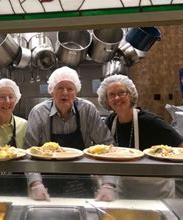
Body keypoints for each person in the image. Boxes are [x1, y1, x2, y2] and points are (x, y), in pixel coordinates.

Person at [24, 66, 116, 201]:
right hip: (47, 179)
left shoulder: (87, 110)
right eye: (60, 88)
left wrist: (108, 183)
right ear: (51, 91)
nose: (65, 93)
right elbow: (29, 151)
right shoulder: (38, 113)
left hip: (82, 178)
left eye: (70, 88)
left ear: (76, 92)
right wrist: (35, 183)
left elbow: (107, 146)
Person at [97, 74, 183, 199]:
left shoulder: (152, 122)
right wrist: (107, 185)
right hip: (126, 191)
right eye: (111, 95)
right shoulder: (110, 122)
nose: (117, 98)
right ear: (106, 100)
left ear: (130, 95)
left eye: (121, 93)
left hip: (157, 193)